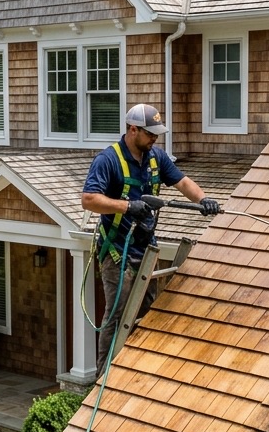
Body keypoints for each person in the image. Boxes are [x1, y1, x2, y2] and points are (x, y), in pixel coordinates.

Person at [82, 103, 220, 374]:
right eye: (150, 133)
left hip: (145, 249)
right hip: (117, 251)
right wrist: (126, 206)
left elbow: (182, 182)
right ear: (133, 130)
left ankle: (136, 367)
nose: (156, 138)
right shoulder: (108, 160)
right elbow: (89, 200)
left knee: (147, 311)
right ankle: (105, 375)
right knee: (117, 313)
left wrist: (205, 200)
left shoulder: (156, 157)